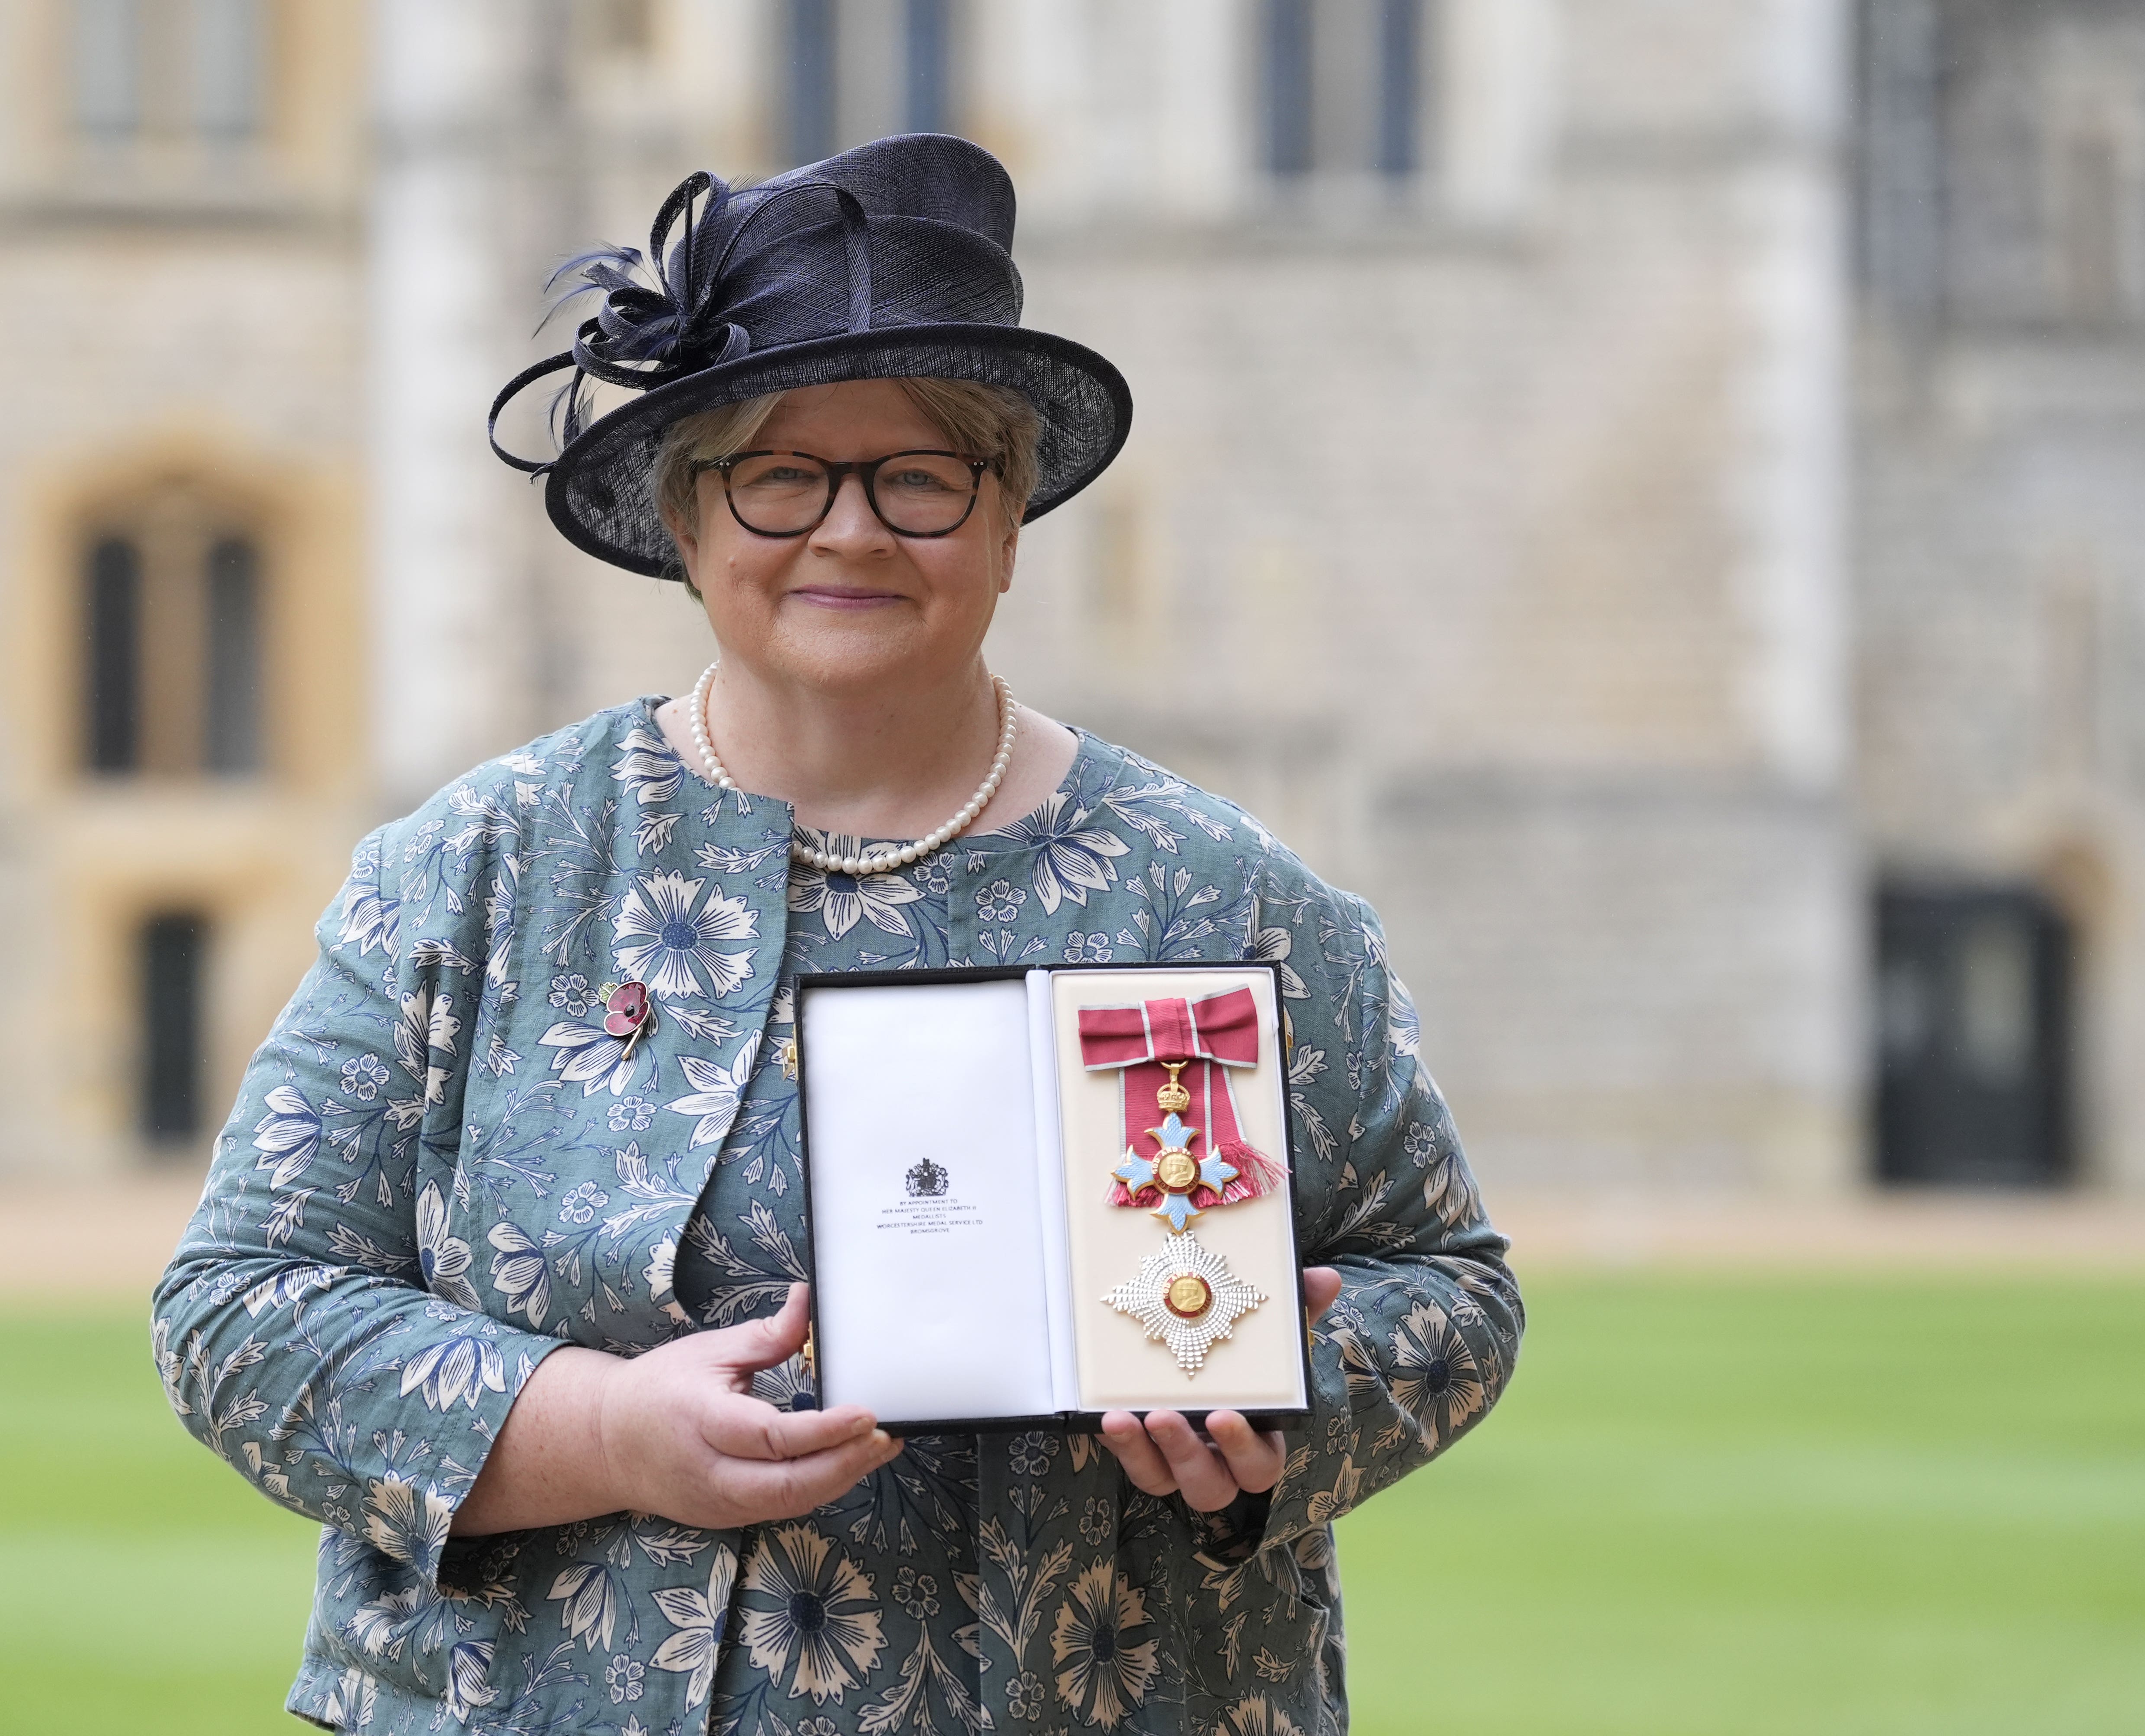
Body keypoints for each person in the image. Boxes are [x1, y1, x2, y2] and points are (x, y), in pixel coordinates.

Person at [156, 133, 1521, 1736]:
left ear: (1010, 523)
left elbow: (1451, 1286)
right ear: (689, 519)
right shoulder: (479, 869)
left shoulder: (1227, 895)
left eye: (921, 478)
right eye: (783, 473)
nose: (853, 532)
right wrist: (593, 1428)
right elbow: (240, 1307)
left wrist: (1283, 1408)